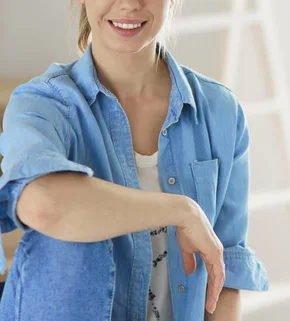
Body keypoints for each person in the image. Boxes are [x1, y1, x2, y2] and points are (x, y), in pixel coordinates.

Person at [0, 0, 268, 320]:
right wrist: (182, 211)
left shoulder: (221, 111)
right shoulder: (41, 104)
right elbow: (44, 205)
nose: (129, 4)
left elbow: (225, 269)